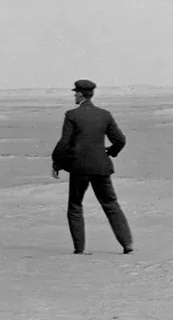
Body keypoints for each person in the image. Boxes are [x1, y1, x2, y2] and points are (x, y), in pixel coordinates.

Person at [50, 79, 134, 254]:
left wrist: (57, 162)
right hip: (101, 167)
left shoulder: (72, 115)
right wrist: (110, 152)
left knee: (75, 205)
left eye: (75, 92)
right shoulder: (105, 115)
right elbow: (120, 140)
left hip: (79, 168)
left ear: (81, 94)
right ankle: (127, 244)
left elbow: (64, 143)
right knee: (111, 204)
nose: (74, 95)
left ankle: (79, 249)